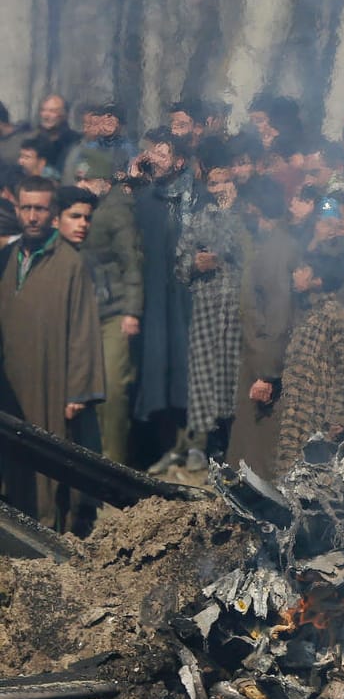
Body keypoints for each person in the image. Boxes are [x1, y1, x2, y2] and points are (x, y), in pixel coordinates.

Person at [0, 180, 104, 527]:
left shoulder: (70, 264)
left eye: (40, 209)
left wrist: (78, 390)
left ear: (53, 214)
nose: (32, 217)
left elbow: (83, 330)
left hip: (52, 379)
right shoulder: (7, 257)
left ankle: (49, 531)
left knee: (50, 459)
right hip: (11, 381)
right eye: (26, 208)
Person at [174, 151, 251, 468]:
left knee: (233, 380)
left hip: (238, 309)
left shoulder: (248, 217)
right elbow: (179, 265)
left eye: (225, 182)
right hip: (206, 307)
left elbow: (252, 257)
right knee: (202, 378)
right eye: (214, 183)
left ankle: (233, 445)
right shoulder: (199, 218)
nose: (220, 188)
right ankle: (198, 445)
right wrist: (194, 264)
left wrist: (230, 219)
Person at [132, 129, 199, 469]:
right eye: (151, 152)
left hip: (193, 303)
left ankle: (195, 450)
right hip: (157, 301)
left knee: (192, 375)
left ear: (179, 160)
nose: (154, 159)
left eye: (162, 152)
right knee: (158, 374)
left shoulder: (199, 199)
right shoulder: (145, 202)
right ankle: (167, 449)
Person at [72, 152, 143, 465]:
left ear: (103, 182)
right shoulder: (74, 209)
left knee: (113, 388)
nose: (81, 185)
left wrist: (131, 312)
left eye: (87, 179)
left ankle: (115, 463)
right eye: (78, 179)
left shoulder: (117, 212)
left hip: (113, 313)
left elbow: (132, 264)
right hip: (79, 314)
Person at [224, 178, 298, 479]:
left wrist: (267, 374)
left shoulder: (278, 251)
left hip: (265, 366)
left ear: (256, 209)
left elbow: (278, 314)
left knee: (259, 448)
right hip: (255, 360)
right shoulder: (267, 246)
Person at [274, 248, 344, 473]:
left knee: (313, 473)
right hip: (297, 410)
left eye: (303, 269)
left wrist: (338, 417)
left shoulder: (336, 315)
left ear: (318, 280)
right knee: (289, 469)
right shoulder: (310, 312)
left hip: (318, 415)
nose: (295, 273)